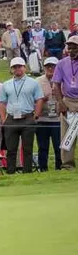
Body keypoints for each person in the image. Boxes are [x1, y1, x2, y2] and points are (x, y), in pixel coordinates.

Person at [0, 57, 43, 175]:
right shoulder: (6, 84)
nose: (17, 69)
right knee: (11, 149)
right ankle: (11, 172)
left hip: (27, 117)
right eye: (15, 67)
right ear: (11, 69)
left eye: (20, 66)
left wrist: (36, 115)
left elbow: (39, 99)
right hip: (11, 119)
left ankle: (27, 172)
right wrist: (3, 118)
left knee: (27, 149)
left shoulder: (33, 82)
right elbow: (1, 102)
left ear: (24, 67)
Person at [53, 35, 78, 170]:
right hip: (68, 101)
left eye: (75, 48)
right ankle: (68, 165)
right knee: (68, 135)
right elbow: (56, 85)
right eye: (70, 48)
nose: (72, 50)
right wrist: (60, 102)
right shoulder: (61, 63)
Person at [37, 57, 63, 171]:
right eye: (48, 66)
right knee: (42, 147)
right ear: (44, 67)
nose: (50, 68)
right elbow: (33, 99)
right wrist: (42, 100)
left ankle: (60, 167)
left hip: (57, 119)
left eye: (53, 66)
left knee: (59, 146)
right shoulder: (37, 81)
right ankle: (43, 169)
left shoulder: (63, 80)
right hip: (42, 119)